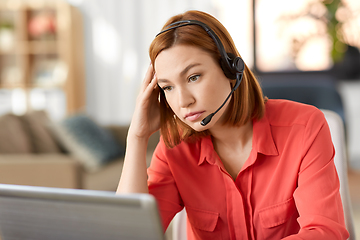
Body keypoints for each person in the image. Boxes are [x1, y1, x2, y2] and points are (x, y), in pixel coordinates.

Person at [117, 10, 349, 240]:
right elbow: (128, 235)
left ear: (231, 70)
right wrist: (136, 137)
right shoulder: (174, 148)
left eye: (193, 77)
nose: (183, 101)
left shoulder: (304, 126)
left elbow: (325, 232)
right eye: (168, 87)